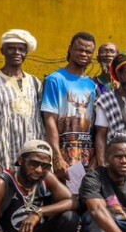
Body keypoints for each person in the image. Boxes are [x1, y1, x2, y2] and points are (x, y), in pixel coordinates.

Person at [0, 29, 44, 177]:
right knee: (0, 194)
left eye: (21, 49)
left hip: (30, 155)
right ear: (2, 51)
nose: (17, 52)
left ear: (26, 53)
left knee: (30, 195)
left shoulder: (35, 83)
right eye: (11, 48)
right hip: (1, 154)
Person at [42, 32, 99, 187]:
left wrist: (95, 158)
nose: (83, 54)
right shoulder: (55, 80)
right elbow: (50, 120)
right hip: (63, 157)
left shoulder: (92, 86)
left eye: (88, 52)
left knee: (85, 203)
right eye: (80, 49)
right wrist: (57, 156)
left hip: (87, 158)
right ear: (70, 50)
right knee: (64, 202)